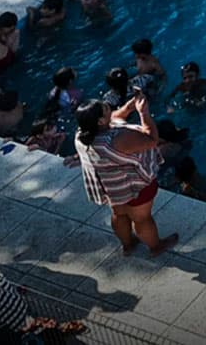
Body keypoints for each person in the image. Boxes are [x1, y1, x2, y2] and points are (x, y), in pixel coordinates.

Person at [74, 93, 178, 256]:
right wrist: (144, 113)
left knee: (119, 214)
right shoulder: (118, 139)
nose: (109, 107)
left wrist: (128, 108)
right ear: (101, 121)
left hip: (111, 186)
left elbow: (113, 118)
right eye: (106, 108)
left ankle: (128, 245)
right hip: (134, 186)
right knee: (142, 219)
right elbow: (151, 139)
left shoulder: (82, 136)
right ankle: (156, 247)